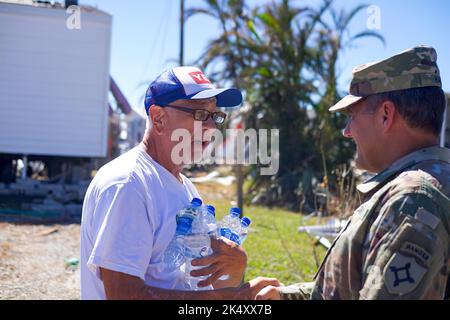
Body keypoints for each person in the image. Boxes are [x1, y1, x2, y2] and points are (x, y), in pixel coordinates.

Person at [253, 46, 450, 300]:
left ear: (385, 115)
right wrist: (284, 297)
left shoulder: (413, 200)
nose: (347, 131)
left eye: (352, 116)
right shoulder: (421, 188)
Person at [80, 66, 279, 299]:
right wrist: (227, 299)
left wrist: (233, 270)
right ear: (158, 118)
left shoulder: (185, 187)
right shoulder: (128, 184)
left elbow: (196, 281)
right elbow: (124, 294)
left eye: (214, 116)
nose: (211, 127)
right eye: (199, 114)